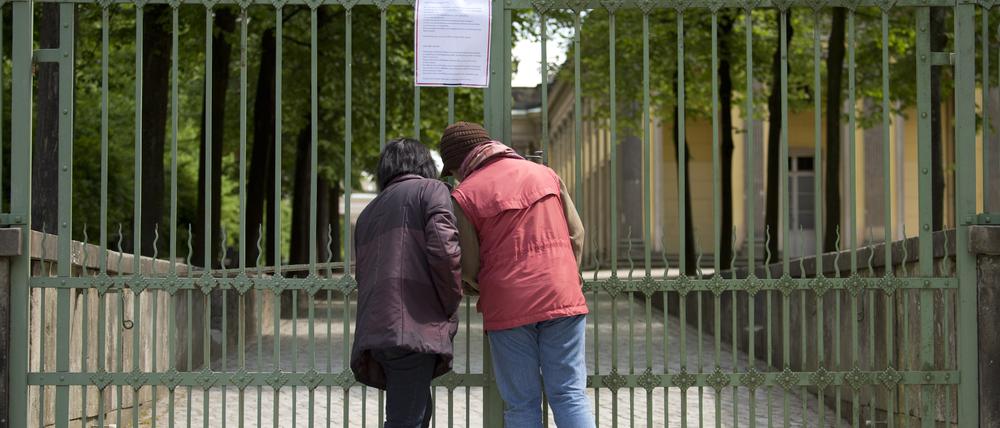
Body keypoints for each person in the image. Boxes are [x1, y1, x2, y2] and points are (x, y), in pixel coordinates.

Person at [440, 122, 594, 427]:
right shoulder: (545, 174)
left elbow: (469, 265)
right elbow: (577, 233)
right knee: (569, 395)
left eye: (453, 170)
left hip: (507, 304)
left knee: (522, 404)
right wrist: (562, 273)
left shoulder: (465, 195)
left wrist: (478, 287)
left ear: (460, 163)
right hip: (561, 293)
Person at [350, 138, 463, 428]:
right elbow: (445, 252)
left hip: (379, 328)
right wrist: (450, 301)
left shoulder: (369, 212)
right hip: (413, 325)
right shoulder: (432, 190)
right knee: (406, 420)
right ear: (424, 164)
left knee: (417, 413)